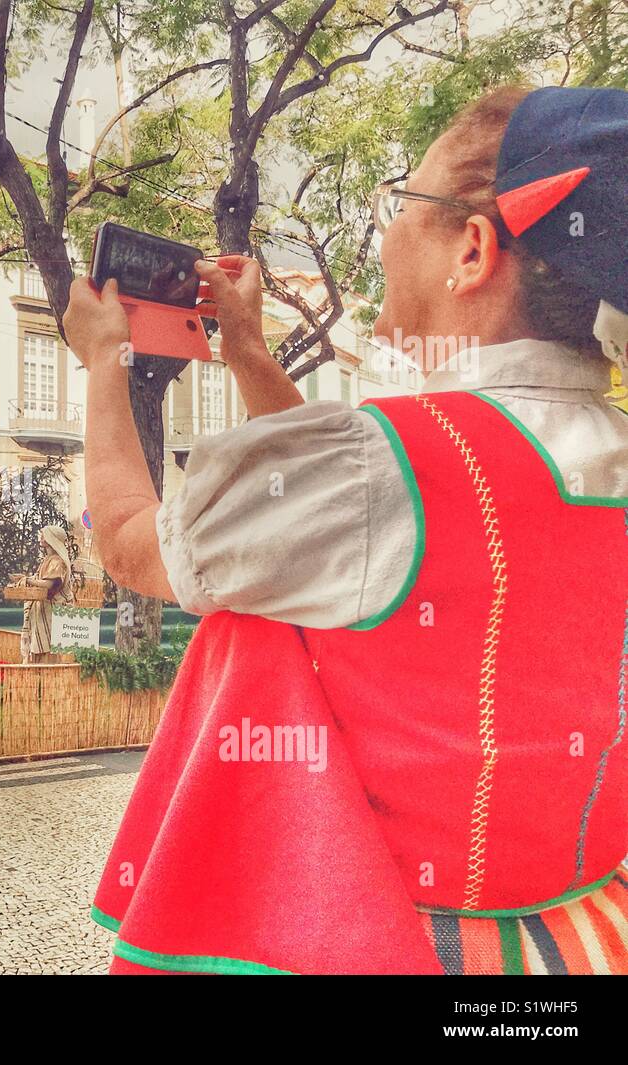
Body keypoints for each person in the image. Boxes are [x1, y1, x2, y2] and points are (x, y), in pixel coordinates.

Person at [65, 85, 628, 976]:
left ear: (472, 250)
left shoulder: (386, 464)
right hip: (585, 935)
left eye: (398, 205)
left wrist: (105, 360)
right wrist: (249, 350)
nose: (384, 234)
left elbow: (132, 543)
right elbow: (345, 521)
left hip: (388, 940)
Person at [18, 526, 75, 664]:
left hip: (52, 613)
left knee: (49, 653)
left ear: (52, 539)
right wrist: (23, 579)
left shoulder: (57, 561)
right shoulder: (48, 559)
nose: (41, 538)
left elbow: (49, 584)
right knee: (39, 651)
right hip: (42, 611)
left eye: (44, 535)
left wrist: (29, 580)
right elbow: (41, 579)